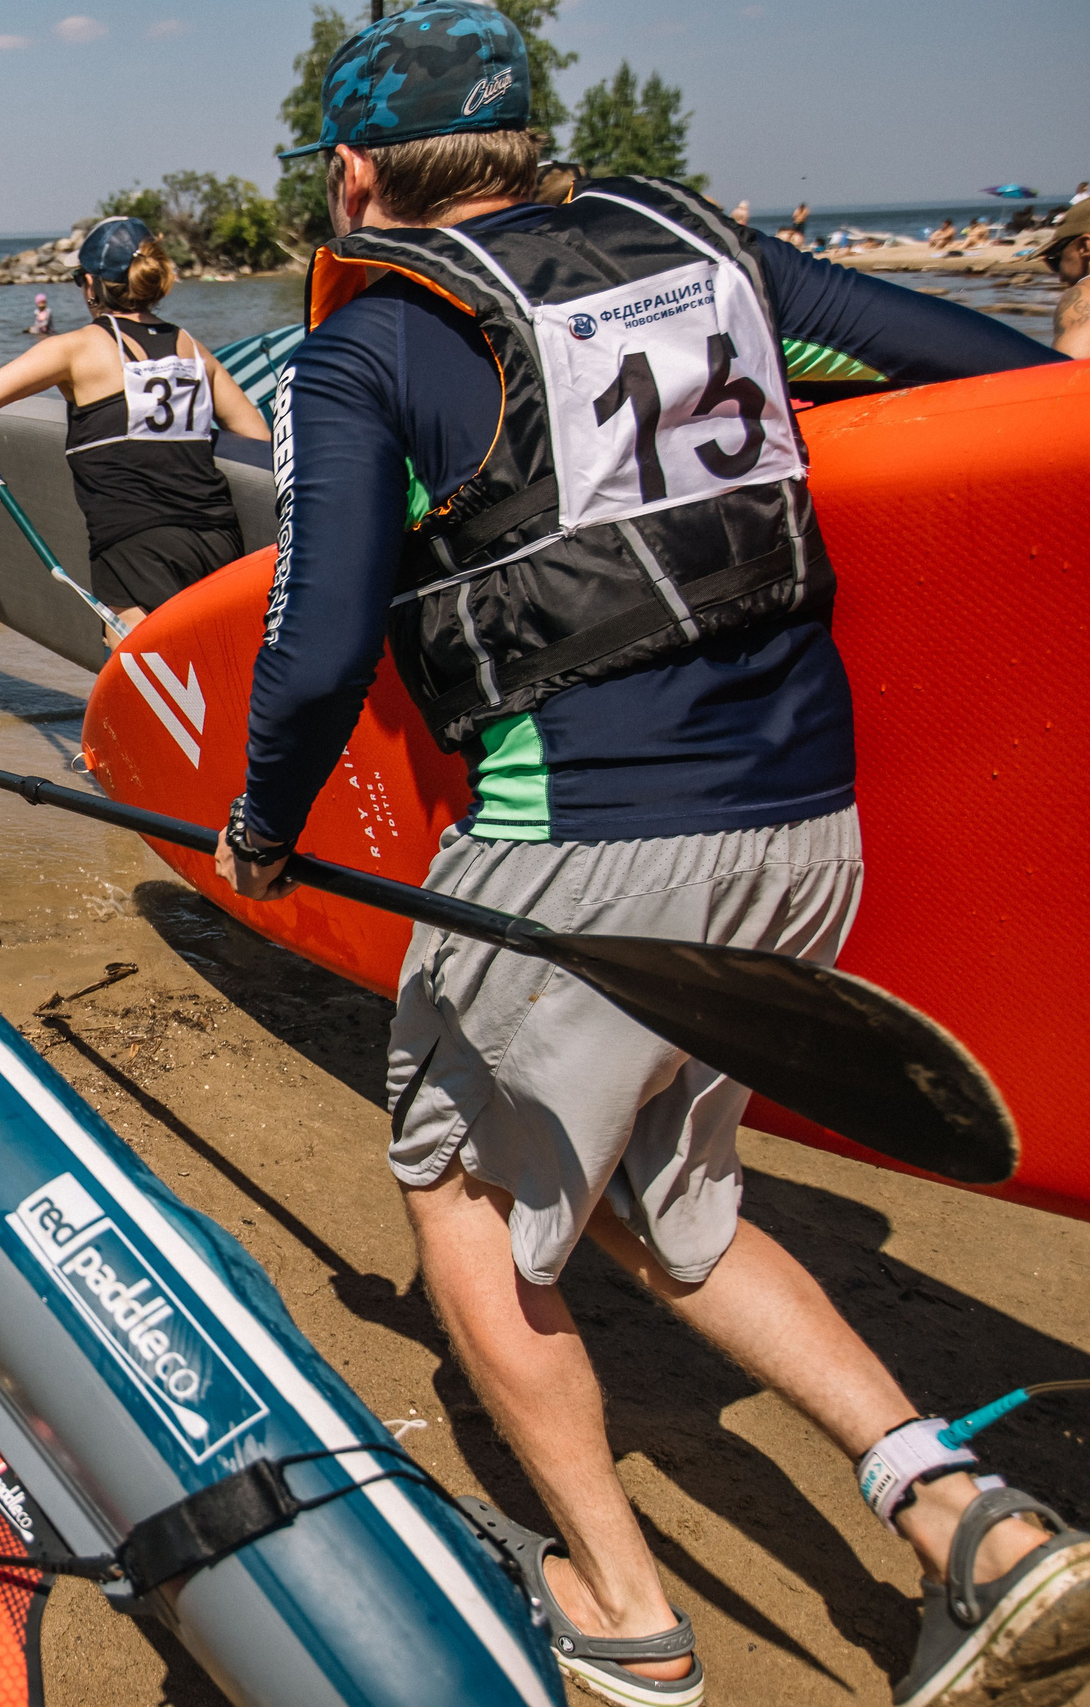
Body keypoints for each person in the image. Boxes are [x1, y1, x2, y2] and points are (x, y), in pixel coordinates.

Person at [240, 8, 1083, 1704]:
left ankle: (624, 1618)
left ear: (351, 174)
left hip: (593, 848)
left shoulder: (377, 342)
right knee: (667, 1197)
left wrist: (265, 822)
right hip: (805, 822)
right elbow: (1004, 387)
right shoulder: (714, 254)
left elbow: (318, 645)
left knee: (465, 1214)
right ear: (528, 137)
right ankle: (969, 1517)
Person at [0, 216, 270, 638]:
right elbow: (257, 440)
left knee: (146, 685)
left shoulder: (77, 348)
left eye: (80, 278)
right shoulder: (191, 347)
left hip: (135, 544)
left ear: (92, 284)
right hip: (217, 537)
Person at [1043, 200, 1090, 358]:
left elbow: (1071, 376)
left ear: (1085, 246)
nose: (1060, 278)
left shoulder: (1083, 294)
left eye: (1056, 260)